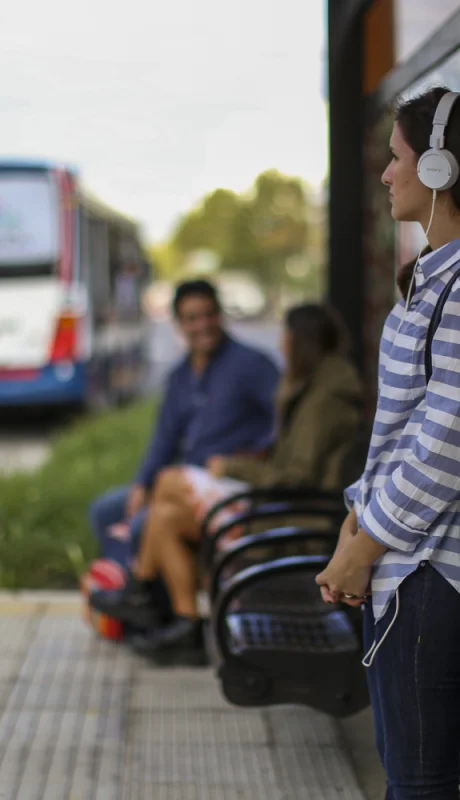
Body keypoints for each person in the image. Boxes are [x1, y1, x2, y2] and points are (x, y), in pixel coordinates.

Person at [316, 86, 460, 799]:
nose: (385, 174)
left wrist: (363, 544)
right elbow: (401, 430)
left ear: (439, 168)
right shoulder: (433, 280)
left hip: (431, 577)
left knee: (420, 783)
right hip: (410, 567)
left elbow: (445, 441)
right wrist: (356, 516)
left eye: (396, 157)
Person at [91, 303, 362, 665]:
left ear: (302, 341)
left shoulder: (324, 397)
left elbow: (297, 475)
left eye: (286, 335)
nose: (281, 343)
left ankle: (140, 590)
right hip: (276, 501)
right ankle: (186, 626)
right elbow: (164, 439)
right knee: (163, 513)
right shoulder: (314, 385)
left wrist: (234, 466)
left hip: (290, 517)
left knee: (169, 484)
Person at [89, 279, 280, 569]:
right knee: (105, 511)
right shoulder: (179, 376)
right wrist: (142, 484)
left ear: (220, 315)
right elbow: (164, 440)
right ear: (179, 324)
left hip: (226, 484)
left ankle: (146, 597)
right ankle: (131, 594)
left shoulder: (252, 364)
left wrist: (259, 455)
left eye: (209, 314)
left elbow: (287, 420)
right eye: (192, 318)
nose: (202, 324)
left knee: (142, 524)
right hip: (182, 481)